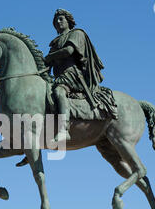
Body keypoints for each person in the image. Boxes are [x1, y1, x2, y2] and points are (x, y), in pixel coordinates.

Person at [44, 9, 116, 143]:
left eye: (61, 19)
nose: (58, 22)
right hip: (59, 76)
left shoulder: (77, 33)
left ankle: (63, 130)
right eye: (55, 21)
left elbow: (69, 51)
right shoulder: (55, 42)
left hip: (74, 75)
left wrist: (49, 57)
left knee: (59, 91)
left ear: (68, 21)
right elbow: (48, 64)